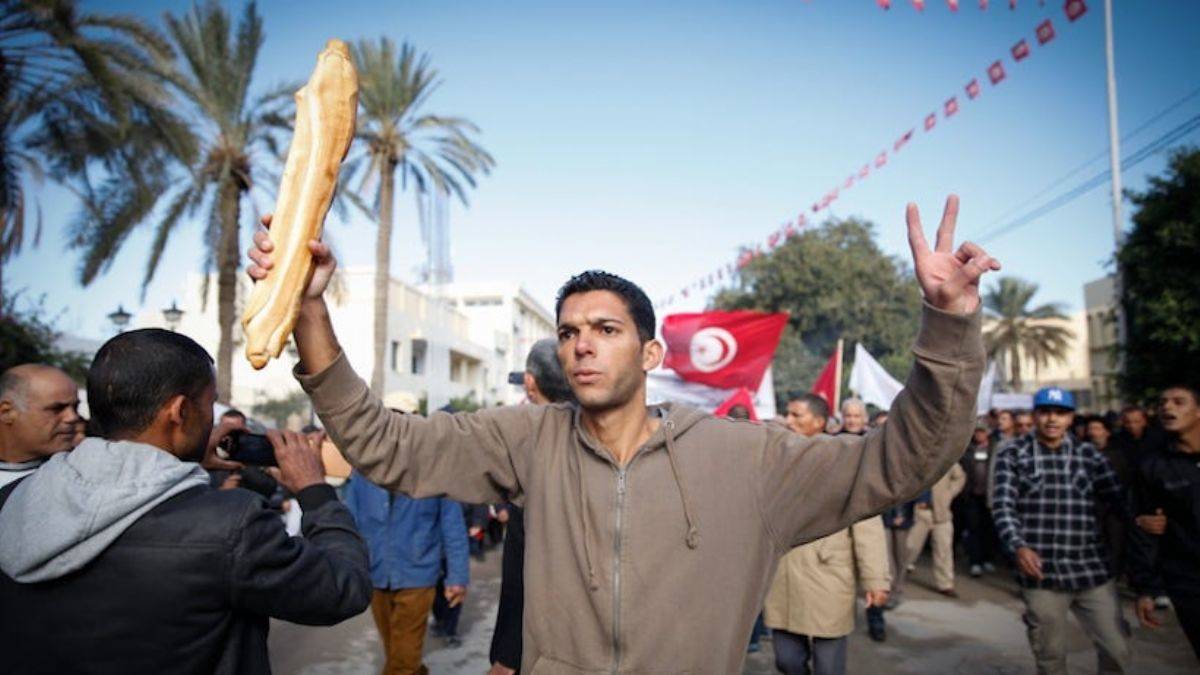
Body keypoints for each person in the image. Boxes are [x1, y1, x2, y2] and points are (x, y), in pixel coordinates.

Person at [248, 195, 997, 672]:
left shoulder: (752, 459)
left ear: (649, 353)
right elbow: (389, 445)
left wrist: (950, 325)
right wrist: (310, 311)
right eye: (570, 330)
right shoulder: (527, 439)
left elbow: (907, 459)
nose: (581, 344)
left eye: (605, 329)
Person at [0, 328, 371, 674]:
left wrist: (181, 459)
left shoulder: (14, 500)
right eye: (208, 405)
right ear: (179, 411)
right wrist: (315, 490)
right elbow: (344, 589)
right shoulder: (230, 525)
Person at [992, 387, 1130, 675]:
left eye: (1060, 413)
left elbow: (1119, 501)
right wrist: (1018, 546)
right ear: (1035, 415)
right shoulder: (1013, 453)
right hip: (1041, 573)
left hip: (1091, 570)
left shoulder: (1089, 455)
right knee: (1050, 657)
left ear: (1070, 418)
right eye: (1045, 412)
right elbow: (1003, 506)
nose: (1052, 419)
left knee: (1117, 650)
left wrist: (1145, 520)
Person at [765, 392, 890, 675]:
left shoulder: (843, 460)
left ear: (819, 422)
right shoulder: (774, 457)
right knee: (787, 660)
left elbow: (866, 522)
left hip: (827, 574)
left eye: (797, 415)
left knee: (828, 666)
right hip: (783, 575)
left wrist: (875, 579)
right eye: (788, 414)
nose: (788, 421)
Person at [344, 393, 469, 675]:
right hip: (376, 574)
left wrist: (457, 577)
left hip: (418, 575)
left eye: (403, 417)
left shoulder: (435, 469)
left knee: (402, 660)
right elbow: (350, 520)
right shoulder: (363, 468)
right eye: (390, 417)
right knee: (396, 651)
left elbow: (452, 527)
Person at [490, 338, 576, 675]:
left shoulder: (538, 456)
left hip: (539, 651)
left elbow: (531, 574)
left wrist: (509, 656)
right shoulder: (602, 440)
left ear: (529, 383)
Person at [1128, 384, 1200, 661]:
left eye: (1179, 402)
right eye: (1163, 402)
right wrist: (1147, 588)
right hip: (1188, 580)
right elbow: (1142, 529)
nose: (1168, 407)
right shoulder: (1153, 466)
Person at [0, 364, 81, 488]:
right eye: (57, 408)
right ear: (7, 412)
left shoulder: (83, 478)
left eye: (75, 407)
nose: (72, 417)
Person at [904, 461, 966, 596]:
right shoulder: (918, 456)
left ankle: (946, 584)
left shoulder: (946, 456)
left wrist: (949, 494)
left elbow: (960, 477)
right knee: (910, 545)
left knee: (943, 549)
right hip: (921, 510)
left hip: (941, 512)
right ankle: (900, 572)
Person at [960, 424, 997, 577]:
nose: (979, 435)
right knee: (973, 528)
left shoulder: (994, 449)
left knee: (988, 529)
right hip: (972, 496)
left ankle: (986, 558)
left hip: (989, 497)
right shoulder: (968, 449)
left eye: (982, 431)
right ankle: (975, 562)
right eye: (976, 431)